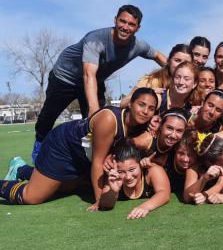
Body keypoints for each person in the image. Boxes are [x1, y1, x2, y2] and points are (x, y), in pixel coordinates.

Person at [33, 5, 167, 162]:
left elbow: (157, 55)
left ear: (138, 28)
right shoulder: (96, 39)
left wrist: (178, 72)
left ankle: (90, 158)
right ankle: (39, 147)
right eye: (122, 21)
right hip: (65, 77)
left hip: (94, 80)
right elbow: (88, 74)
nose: (125, 27)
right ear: (115, 20)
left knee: (103, 125)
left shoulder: (138, 45)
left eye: (131, 24)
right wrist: (94, 111)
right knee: (48, 118)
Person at [1, 88, 158, 209]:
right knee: (32, 196)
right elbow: (98, 162)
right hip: (63, 147)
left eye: (151, 108)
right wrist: (99, 201)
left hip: (81, 156)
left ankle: (21, 169)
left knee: (64, 188)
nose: (145, 111)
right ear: (130, 104)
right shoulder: (110, 119)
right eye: (141, 104)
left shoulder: (142, 126)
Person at [99, 140, 170, 219]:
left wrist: (145, 207)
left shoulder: (152, 170)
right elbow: (104, 204)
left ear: (140, 164)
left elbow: (164, 194)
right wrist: (113, 191)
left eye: (132, 169)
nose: (128, 176)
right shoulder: (114, 177)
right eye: (121, 171)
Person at [120, 43, 191, 108]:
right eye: (177, 60)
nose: (181, 65)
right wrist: (147, 93)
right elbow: (123, 103)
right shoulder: (152, 81)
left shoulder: (193, 85)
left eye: (186, 63)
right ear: (169, 61)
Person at [183, 133, 223, 204]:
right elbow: (186, 197)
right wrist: (204, 178)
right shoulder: (195, 167)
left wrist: (204, 195)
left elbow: (220, 184)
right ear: (209, 164)